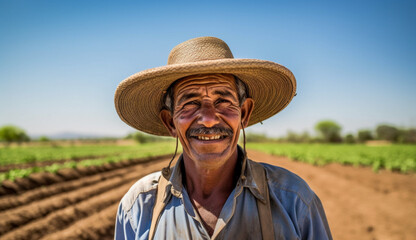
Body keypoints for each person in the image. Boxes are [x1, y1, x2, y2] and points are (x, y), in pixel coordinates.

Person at [114, 36, 332, 239]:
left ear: (244, 113)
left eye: (223, 101)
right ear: (170, 122)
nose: (209, 119)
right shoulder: (139, 207)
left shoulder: (294, 201)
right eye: (190, 103)